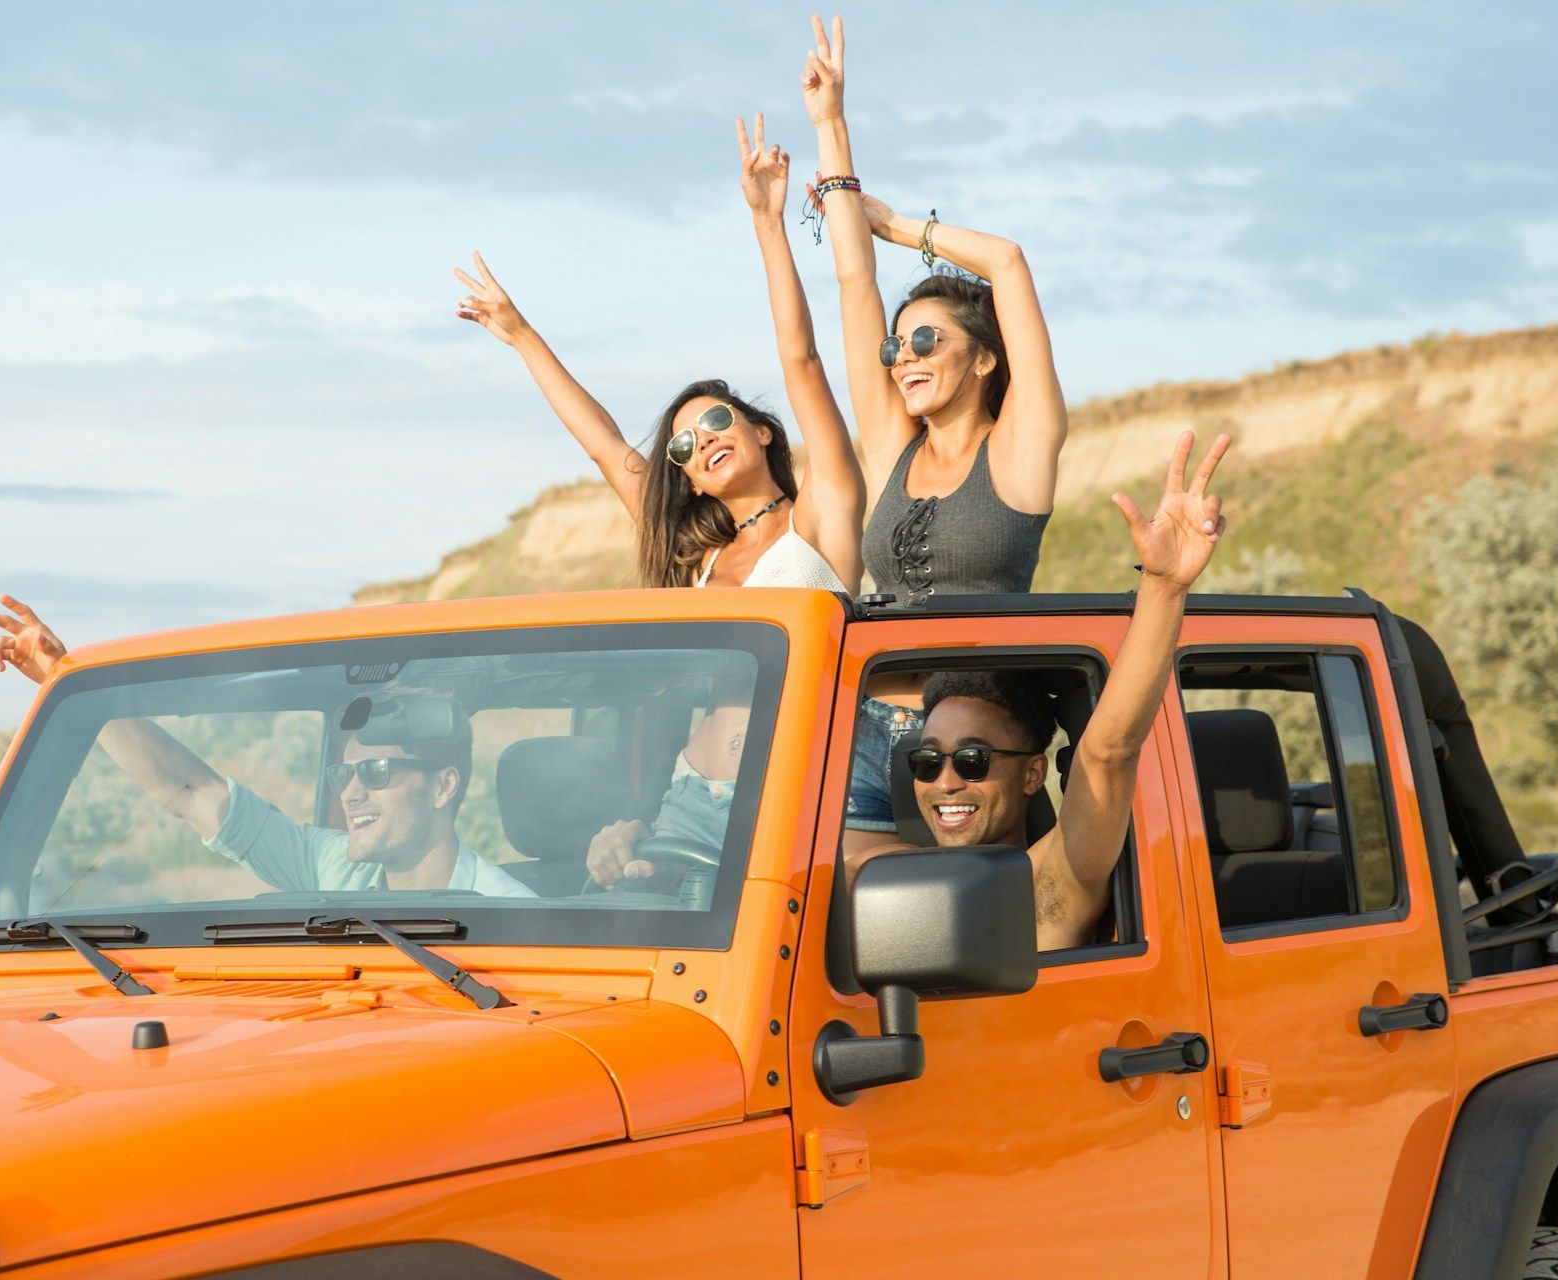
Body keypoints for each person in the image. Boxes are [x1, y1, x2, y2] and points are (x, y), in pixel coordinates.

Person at [798, 15, 1074, 859]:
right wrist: (830, 126)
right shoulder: (893, 444)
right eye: (897, 345)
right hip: (873, 736)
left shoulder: (1020, 448)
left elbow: (1011, 263)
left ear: (984, 357)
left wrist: (897, 227)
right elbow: (851, 284)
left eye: (927, 341)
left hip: (980, 754)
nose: (904, 357)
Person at [454, 113, 864, 592]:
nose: (704, 441)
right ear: (690, 481)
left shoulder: (820, 517)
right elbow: (605, 447)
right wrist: (523, 336)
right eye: (684, 445)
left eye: (714, 421)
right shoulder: (696, 563)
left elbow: (802, 360)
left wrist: (766, 222)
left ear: (761, 431)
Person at [859, 431, 1231, 950]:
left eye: (972, 759)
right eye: (926, 761)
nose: (944, 782)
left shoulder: (1049, 883)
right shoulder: (886, 879)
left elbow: (1108, 753)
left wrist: (1165, 587)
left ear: (1034, 771)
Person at [0, 596, 533, 898]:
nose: (353, 793)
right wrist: (66, 680)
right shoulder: (331, 868)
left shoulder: (508, 913)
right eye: (347, 776)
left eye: (378, 772)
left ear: (443, 786)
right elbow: (190, 791)